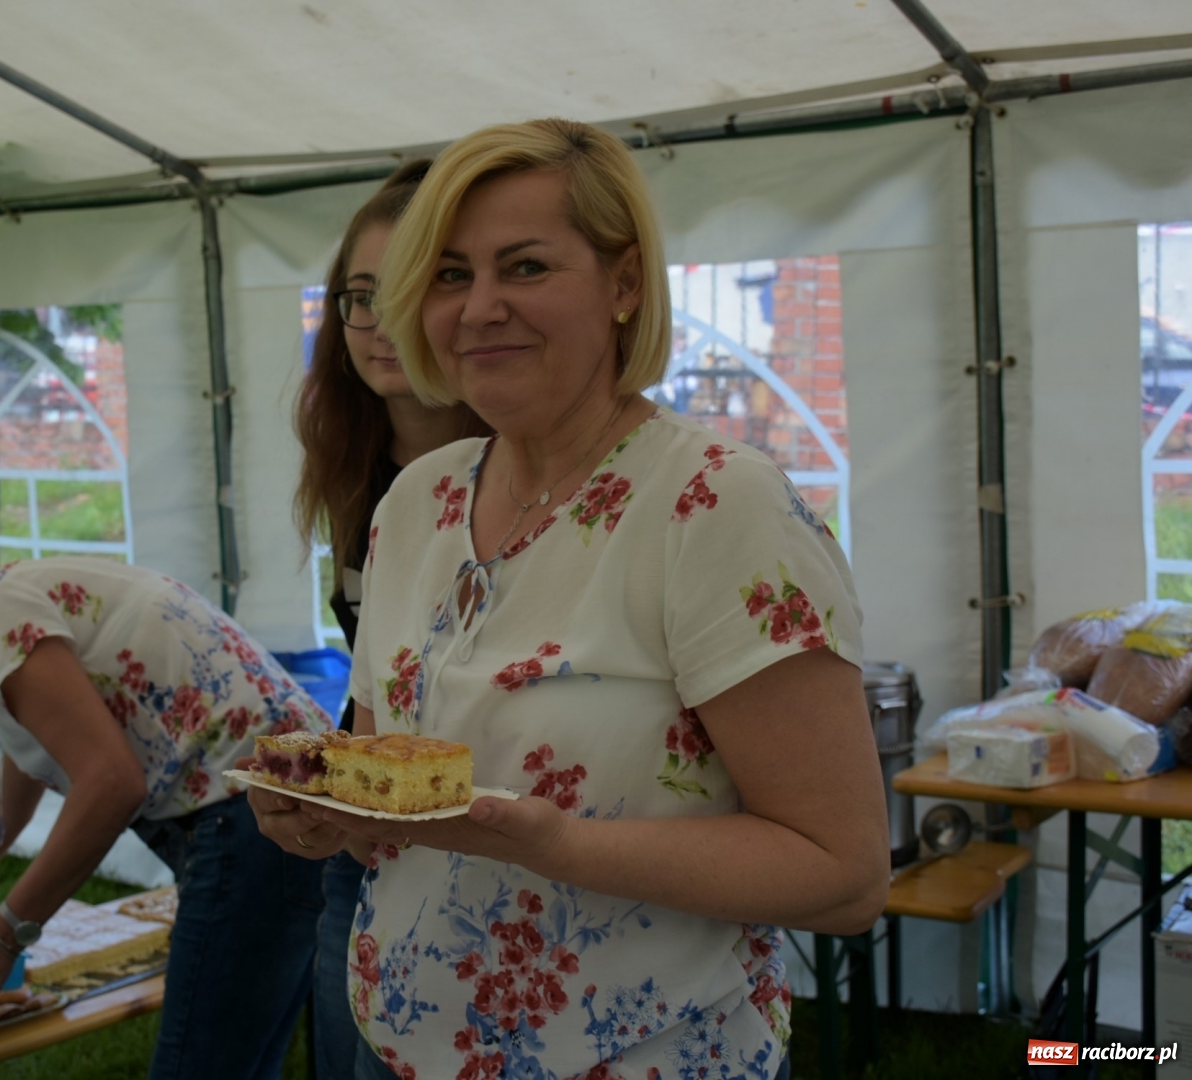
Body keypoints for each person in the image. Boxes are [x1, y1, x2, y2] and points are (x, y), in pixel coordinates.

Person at [249, 118, 889, 1080]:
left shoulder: (713, 503)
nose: (479, 309)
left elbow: (840, 874)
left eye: (526, 267)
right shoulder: (417, 502)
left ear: (624, 284)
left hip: (641, 1056)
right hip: (398, 1045)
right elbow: (394, 769)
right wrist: (334, 810)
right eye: (451, 275)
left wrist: (554, 843)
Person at [0, 512, 324, 1080]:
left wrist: (3, 933)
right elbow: (3, 812)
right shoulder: (7, 603)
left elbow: (111, 782)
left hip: (250, 820)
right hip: (284, 811)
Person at [291, 160, 491, 1079]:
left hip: (499, 835)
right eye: (353, 296)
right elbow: (379, 678)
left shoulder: (521, 462)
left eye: (398, 289)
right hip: (375, 836)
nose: (371, 323)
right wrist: (323, 783)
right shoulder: (350, 457)